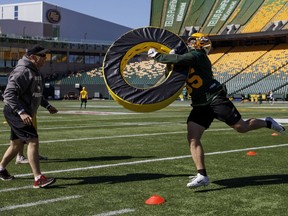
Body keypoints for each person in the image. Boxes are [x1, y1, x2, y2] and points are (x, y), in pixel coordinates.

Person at [148, 33, 286, 188]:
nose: (190, 43)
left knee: (241, 128)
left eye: (193, 40)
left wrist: (158, 56)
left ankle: (267, 122)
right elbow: (171, 76)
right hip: (200, 104)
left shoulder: (198, 55)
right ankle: (202, 175)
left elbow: (180, 60)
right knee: (193, 137)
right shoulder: (186, 58)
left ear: (200, 44)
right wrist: (168, 59)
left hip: (214, 98)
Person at [0, 44, 58, 188]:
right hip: (15, 111)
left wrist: (48, 105)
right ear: (32, 57)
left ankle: (0, 169)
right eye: (43, 56)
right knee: (33, 140)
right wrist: (21, 112)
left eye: (46, 56)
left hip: (21, 111)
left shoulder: (35, 71)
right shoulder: (23, 71)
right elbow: (8, 94)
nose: (45, 59)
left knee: (16, 144)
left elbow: (36, 94)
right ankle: (38, 178)